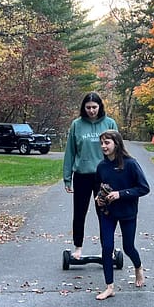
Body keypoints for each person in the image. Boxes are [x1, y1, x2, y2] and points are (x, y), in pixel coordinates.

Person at [93, 130, 149, 300]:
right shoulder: (102, 166)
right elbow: (98, 186)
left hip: (127, 212)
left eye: (107, 142)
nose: (103, 146)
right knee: (107, 247)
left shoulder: (131, 164)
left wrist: (120, 194)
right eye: (101, 143)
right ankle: (109, 286)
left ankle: (138, 268)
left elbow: (144, 188)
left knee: (128, 247)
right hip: (108, 212)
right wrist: (98, 197)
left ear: (116, 144)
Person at [62, 92, 118, 259]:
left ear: (100, 107)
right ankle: (78, 247)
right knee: (79, 212)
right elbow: (70, 152)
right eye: (88, 108)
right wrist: (67, 177)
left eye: (94, 107)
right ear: (83, 108)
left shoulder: (109, 123)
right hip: (82, 175)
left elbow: (118, 151)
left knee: (106, 212)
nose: (92, 111)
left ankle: (107, 248)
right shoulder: (76, 125)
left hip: (104, 176)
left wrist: (119, 173)